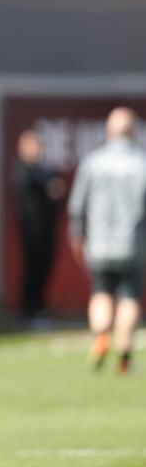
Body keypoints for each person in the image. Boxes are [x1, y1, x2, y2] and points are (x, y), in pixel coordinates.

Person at [68, 107, 146, 374]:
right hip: (133, 242)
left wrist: (77, 234)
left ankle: (101, 334)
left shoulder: (93, 162)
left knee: (101, 292)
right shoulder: (142, 163)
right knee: (129, 296)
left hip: (99, 243)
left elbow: (77, 204)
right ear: (133, 130)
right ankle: (124, 354)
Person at [13, 130, 65, 323]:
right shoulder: (23, 170)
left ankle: (39, 308)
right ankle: (30, 310)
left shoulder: (44, 170)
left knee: (44, 268)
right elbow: (35, 188)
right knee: (33, 269)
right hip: (32, 231)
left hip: (47, 229)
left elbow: (57, 191)